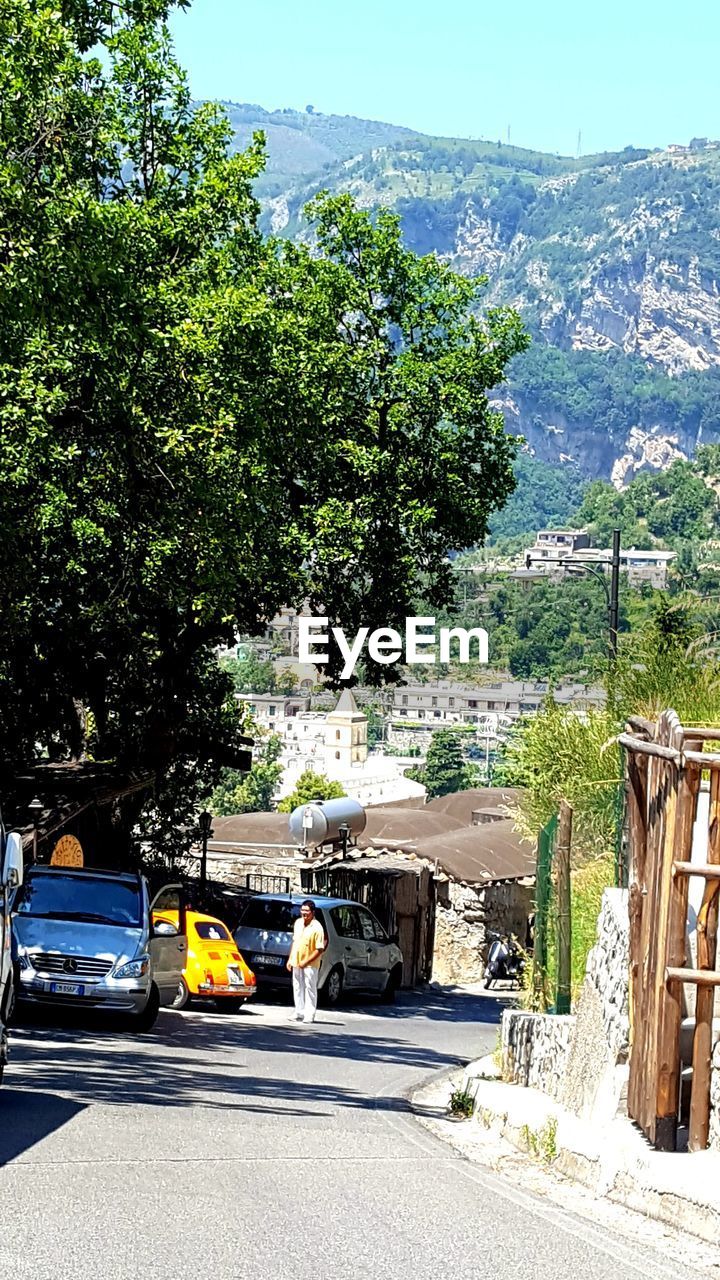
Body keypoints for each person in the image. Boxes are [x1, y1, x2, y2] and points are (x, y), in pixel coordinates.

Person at [287, 899, 326, 1024]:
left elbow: (319, 949)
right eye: (302, 910)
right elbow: (295, 942)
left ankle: (309, 1014)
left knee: (310, 988)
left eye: (307, 911)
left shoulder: (317, 927)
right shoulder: (298, 923)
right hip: (296, 961)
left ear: (313, 912)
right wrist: (290, 959)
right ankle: (299, 1011)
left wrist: (306, 961)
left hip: (310, 964)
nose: (304, 913)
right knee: (297, 986)